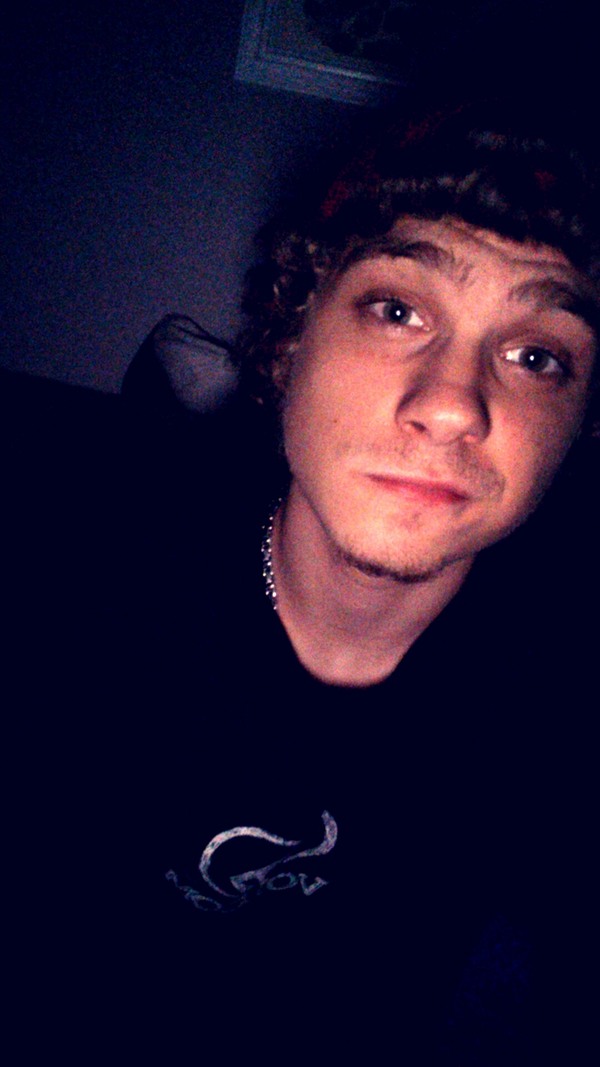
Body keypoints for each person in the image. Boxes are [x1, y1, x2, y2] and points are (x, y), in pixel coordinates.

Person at [8, 100, 599, 1064]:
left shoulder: (561, 700)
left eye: (537, 356)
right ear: (290, 340)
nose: (454, 403)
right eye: (398, 310)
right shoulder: (69, 588)